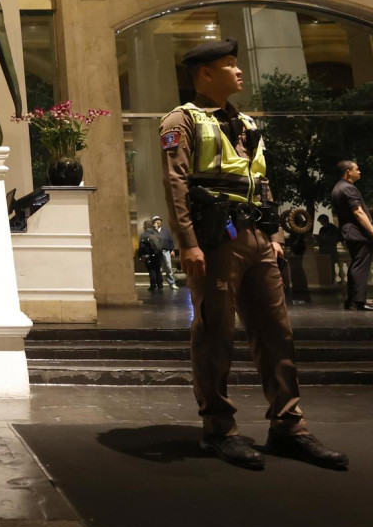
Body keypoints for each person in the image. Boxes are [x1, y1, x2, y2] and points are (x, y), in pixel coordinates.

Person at [160, 38, 347, 471]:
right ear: (205, 74)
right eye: (229, 65)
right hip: (215, 239)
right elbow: (176, 183)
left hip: (258, 236)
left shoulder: (245, 121)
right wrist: (187, 241)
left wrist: (277, 232)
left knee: (276, 332)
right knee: (216, 333)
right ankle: (220, 428)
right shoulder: (182, 120)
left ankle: (289, 427)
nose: (239, 71)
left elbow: (262, 181)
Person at [331, 161, 373, 311]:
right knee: (360, 266)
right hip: (357, 232)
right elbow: (358, 212)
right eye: (357, 169)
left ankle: (352, 300)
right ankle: (358, 301)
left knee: (356, 265)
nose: (359, 172)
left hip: (349, 232)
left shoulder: (337, 188)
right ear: (348, 172)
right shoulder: (348, 188)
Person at [138, 220, 165, 291]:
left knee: (152, 270)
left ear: (145, 226)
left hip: (149, 255)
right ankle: (160, 285)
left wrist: (140, 255)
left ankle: (153, 285)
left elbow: (142, 246)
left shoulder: (144, 234)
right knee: (158, 270)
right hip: (158, 255)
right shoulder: (157, 233)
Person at [154, 215, 178, 287]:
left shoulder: (166, 231)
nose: (157, 221)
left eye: (159, 220)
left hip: (166, 251)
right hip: (157, 253)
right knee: (158, 269)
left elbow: (170, 241)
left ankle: (172, 283)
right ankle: (159, 284)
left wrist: (172, 250)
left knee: (168, 268)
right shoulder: (152, 231)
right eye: (156, 220)